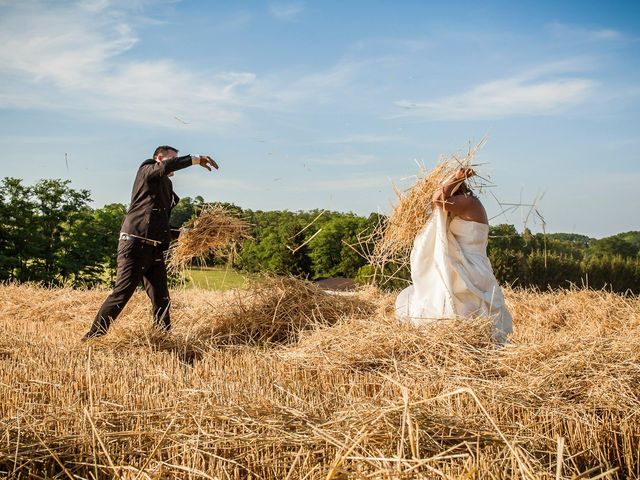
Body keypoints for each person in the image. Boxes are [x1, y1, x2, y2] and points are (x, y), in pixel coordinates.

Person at [82, 145, 219, 340]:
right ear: (159, 157)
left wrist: (186, 234)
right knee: (121, 295)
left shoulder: (167, 187)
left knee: (161, 298)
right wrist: (196, 159)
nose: (173, 164)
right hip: (135, 245)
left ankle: (163, 338)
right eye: (171, 159)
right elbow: (164, 167)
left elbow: (160, 223)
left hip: (154, 249)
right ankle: (93, 337)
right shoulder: (146, 169)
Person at [395, 167, 513, 343]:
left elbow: (438, 199)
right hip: (469, 266)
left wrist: (456, 177)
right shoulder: (464, 206)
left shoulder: (469, 203)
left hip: (469, 267)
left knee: (466, 308)